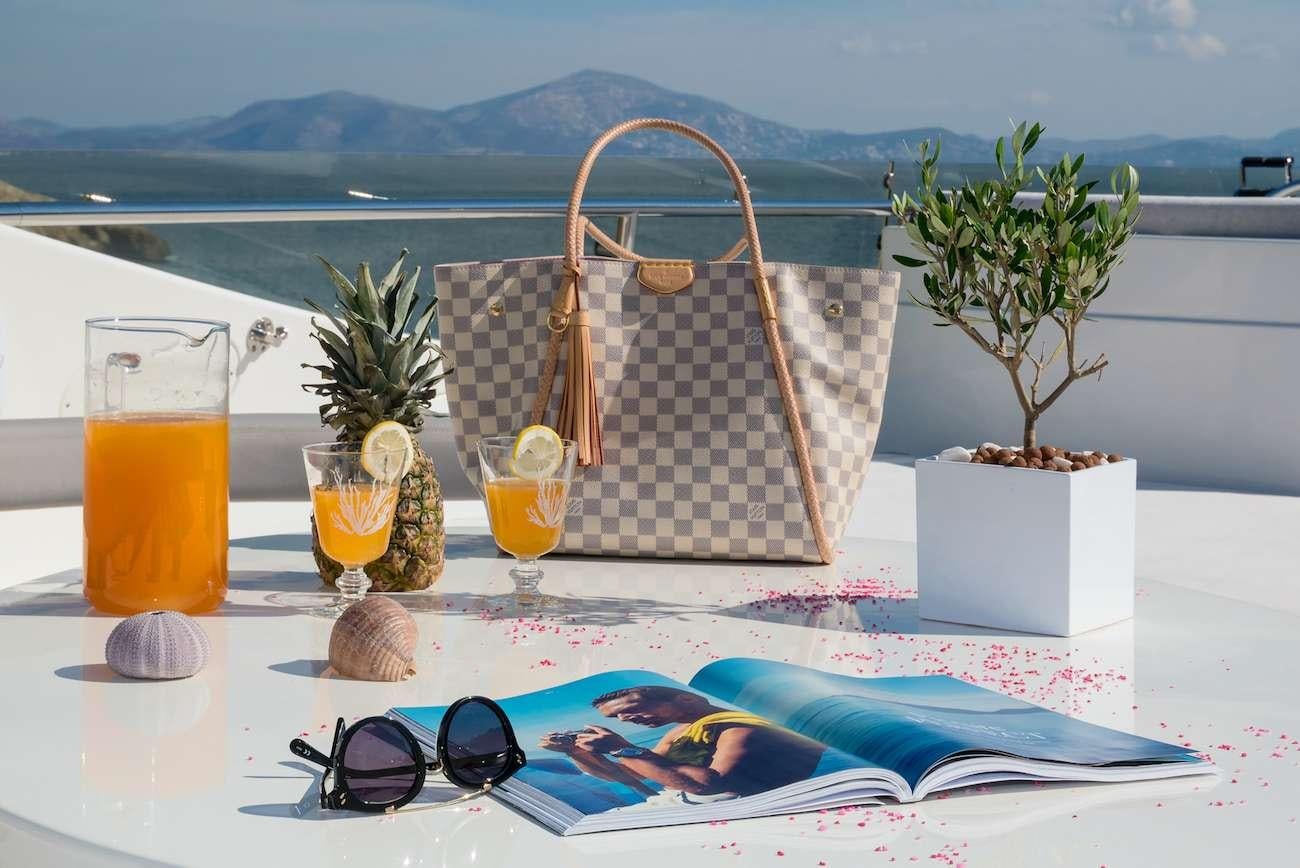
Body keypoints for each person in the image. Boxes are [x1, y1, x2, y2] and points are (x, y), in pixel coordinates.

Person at [538, 685, 825, 808]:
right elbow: (630, 776)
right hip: (687, 804)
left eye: (630, 709)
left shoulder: (741, 728)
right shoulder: (681, 733)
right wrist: (574, 751)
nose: (626, 719)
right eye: (617, 718)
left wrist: (621, 748)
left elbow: (711, 784)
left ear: (686, 699)